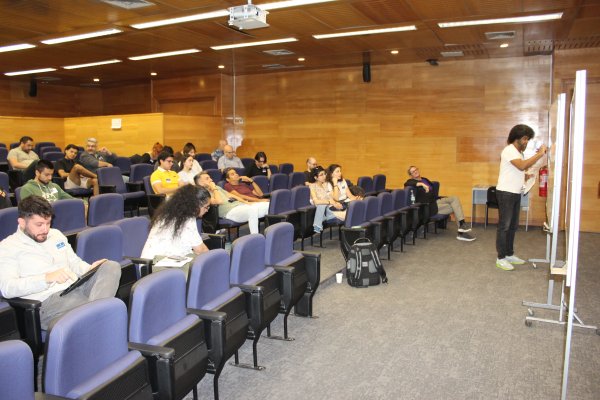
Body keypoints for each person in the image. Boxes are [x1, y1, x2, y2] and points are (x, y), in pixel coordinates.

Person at [0, 195, 121, 329]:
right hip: (48, 302)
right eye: (39, 224)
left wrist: (90, 269)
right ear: (22, 222)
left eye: (48, 223)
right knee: (94, 304)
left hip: (75, 287)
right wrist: (46, 279)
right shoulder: (8, 247)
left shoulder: (56, 234)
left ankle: (96, 315)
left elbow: (74, 263)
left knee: (111, 266)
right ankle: (100, 316)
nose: (45, 229)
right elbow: (7, 288)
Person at [495, 124, 548, 271]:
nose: (526, 142)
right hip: (505, 193)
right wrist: (539, 154)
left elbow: (517, 170)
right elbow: (521, 166)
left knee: (512, 226)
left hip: (515, 192)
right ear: (516, 137)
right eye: (525, 138)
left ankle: (509, 254)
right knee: (504, 226)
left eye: (528, 139)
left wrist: (525, 176)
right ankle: (500, 258)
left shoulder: (519, 153)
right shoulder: (509, 150)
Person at [141, 185, 211, 277]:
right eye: (206, 207)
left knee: (203, 268)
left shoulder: (169, 213)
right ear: (196, 204)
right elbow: (200, 250)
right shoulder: (187, 218)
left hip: (171, 260)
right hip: (157, 264)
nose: (207, 210)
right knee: (205, 271)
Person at [405, 165, 475, 242]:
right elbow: (407, 183)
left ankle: (462, 224)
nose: (415, 172)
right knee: (455, 207)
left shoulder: (425, 179)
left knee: (455, 198)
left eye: (416, 169)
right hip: (430, 206)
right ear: (411, 175)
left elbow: (433, 192)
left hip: (436, 201)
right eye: (413, 172)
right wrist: (422, 184)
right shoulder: (411, 182)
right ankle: (461, 233)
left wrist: (424, 183)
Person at [195, 171, 269, 234]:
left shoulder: (217, 187)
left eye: (210, 177)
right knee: (252, 210)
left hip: (240, 206)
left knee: (268, 205)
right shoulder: (203, 193)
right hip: (229, 212)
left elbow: (231, 195)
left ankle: (270, 232)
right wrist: (214, 188)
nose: (211, 179)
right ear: (200, 183)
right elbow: (219, 201)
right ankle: (255, 236)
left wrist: (246, 202)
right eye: (207, 178)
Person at [309, 166, 345, 233]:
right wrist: (329, 202)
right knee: (347, 216)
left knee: (348, 213)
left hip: (329, 208)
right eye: (321, 175)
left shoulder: (325, 185)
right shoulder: (312, 186)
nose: (324, 176)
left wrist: (336, 203)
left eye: (324, 174)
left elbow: (330, 198)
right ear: (315, 177)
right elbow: (316, 202)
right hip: (322, 210)